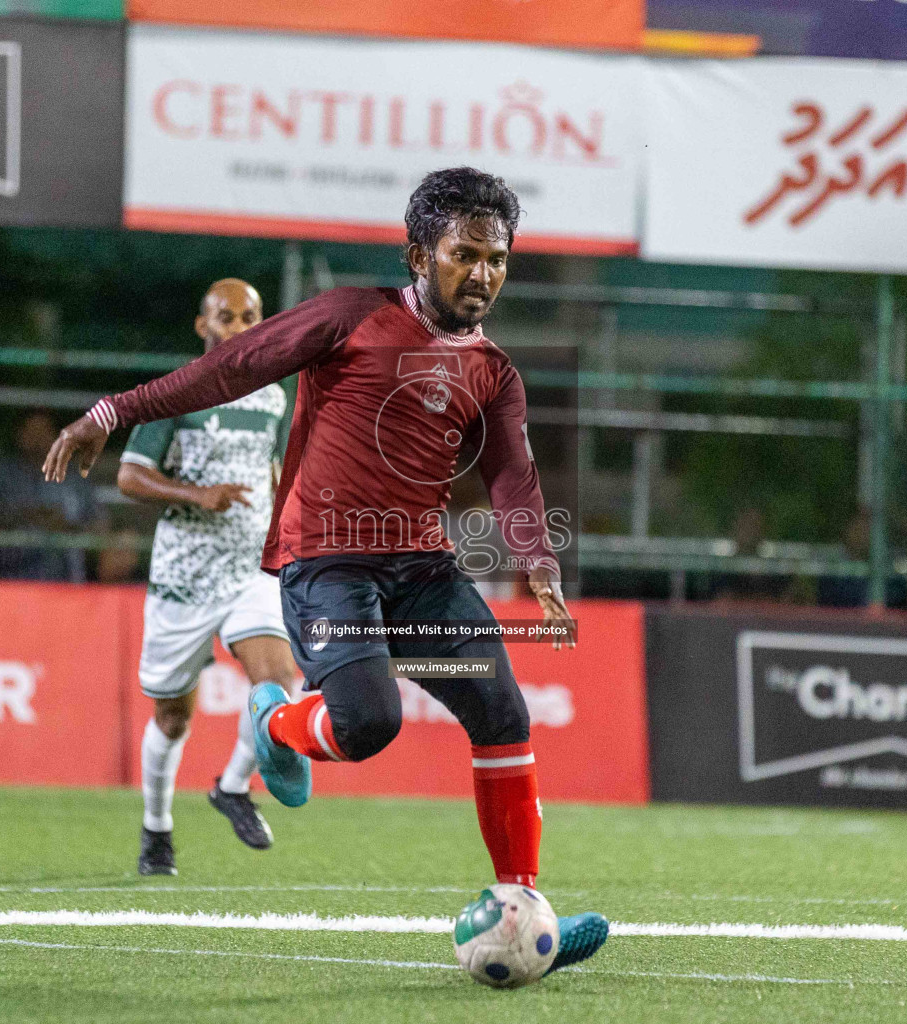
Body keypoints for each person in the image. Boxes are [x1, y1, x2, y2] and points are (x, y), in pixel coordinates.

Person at [44, 168, 608, 974]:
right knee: (366, 724)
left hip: (422, 570)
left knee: (501, 708)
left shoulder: (494, 372)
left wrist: (540, 565)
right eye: (464, 255)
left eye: (497, 258)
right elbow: (230, 367)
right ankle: (272, 722)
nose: (481, 273)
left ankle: (522, 907)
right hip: (326, 565)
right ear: (421, 254)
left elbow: (512, 473)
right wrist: (112, 412)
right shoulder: (351, 317)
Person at [117, 278, 300, 870]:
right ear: (204, 327)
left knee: (278, 684)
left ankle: (233, 786)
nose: (239, 327)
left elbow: (274, 467)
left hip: (251, 571)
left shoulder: (275, 395)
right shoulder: (178, 392)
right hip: (184, 577)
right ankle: (156, 827)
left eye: (250, 317)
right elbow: (130, 475)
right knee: (173, 717)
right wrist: (199, 495)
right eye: (227, 317)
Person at [0, 412, 102, 583]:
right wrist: (21, 516)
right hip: (10, 575)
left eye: (43, 432)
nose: (37, 439)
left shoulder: (74, 478)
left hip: (64, 578)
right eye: (31, 432)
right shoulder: (2, 475)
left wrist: (65, 525)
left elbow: (98, 524)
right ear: (20, 435)